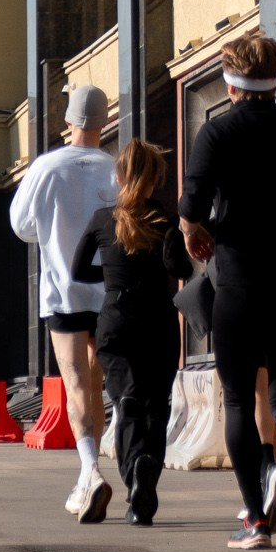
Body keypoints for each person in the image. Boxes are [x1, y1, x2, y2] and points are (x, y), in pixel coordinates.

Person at [178, 32, 276, 550]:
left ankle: (255, 520)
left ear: (228, 80)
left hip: (239, 286)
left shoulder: (216, 134)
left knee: (241, 401)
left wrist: (193, 233)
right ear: (275, 78)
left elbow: (191, 204)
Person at [10, 85, 118, 523]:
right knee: (96, 383)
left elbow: (21, 225)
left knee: (74, 382)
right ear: (104, 121)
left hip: (64, 289)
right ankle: (99, 469)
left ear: (68, 121)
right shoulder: (114, 167)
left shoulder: (47, 167)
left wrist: (52, 233)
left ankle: (89, 470)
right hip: (109, 290)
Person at [70, 139, 191, 525]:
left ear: (118, 177)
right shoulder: (166, 221)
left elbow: (76, 271)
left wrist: (110, 277)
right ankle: (146, 483)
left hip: (116, 318)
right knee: (157, 405)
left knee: (127, 403)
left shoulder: (102, 220)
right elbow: (181, 269)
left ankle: (133, 469)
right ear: (156, 179)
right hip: (157, 319)